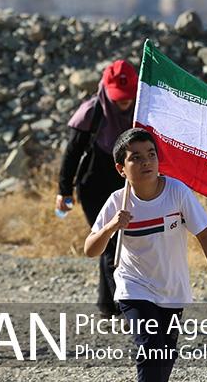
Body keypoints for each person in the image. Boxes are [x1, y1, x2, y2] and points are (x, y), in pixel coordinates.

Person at [85, 128, 207, 382]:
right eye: (136, 158)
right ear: (121, 169)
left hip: (172, 289)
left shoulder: (177, 192)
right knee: (151, 349)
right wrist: (112, 227)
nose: (146, 162)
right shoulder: (118, 201)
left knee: (164, 357)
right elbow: (90, 249)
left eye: (151, 154)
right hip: (134, 287)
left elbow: (206, 236)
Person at [57, 59, 138, 317]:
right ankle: (124, 308)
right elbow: (72, 153)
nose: (124, 101)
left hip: (126, 185)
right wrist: (64, 192)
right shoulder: (93, 111)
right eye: (119, 97)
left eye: (128, 96)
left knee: (123, 242)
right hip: (93, 186)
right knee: (111, 240)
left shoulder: (142, 110)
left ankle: (107, 305)